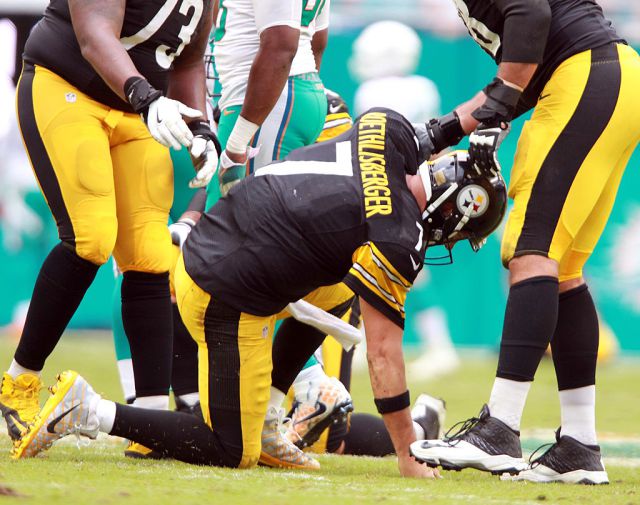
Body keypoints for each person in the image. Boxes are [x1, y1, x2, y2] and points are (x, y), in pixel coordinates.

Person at [11, 108, 507, 479]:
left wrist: (495, 109)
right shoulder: (396, 237)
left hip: (224, 239)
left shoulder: (387, 129)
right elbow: (382, 353)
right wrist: (406, 452)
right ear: (454, 208)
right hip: (223, 290)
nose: (450, 239)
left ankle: (269, 415)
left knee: (343, 286)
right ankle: (88, 410)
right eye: (461, 231)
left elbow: (438, 129)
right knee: (231, 449)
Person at [409, 0, 640, 485]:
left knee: (530, 252)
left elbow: (531, 16)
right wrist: (440, 133)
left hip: (586, 76)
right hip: (610, 76)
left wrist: (493, 113)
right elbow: (520, 74)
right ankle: (579, 445)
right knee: (563, 269)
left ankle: (499, 428)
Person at [0, 0, 218, 442]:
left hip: (138, 108)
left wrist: (201, 128)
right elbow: (94, 34)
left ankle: (150, 420)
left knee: (151, 254)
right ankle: (18, 383)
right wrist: (146, 96)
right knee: (91, 237)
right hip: (68, 86)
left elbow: (189, 59)